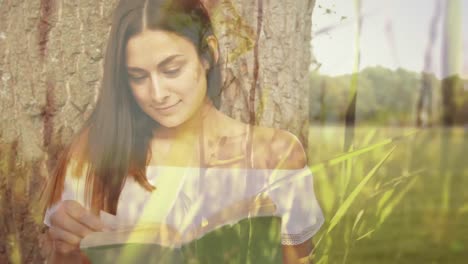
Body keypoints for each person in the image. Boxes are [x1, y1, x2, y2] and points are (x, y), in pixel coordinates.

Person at [40, 0, 324, 263]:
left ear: (208, 54)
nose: (157, 93)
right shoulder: (96, 149)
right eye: (138, 77)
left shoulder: (275, 153)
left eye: (172, 69)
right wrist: (66, 251)